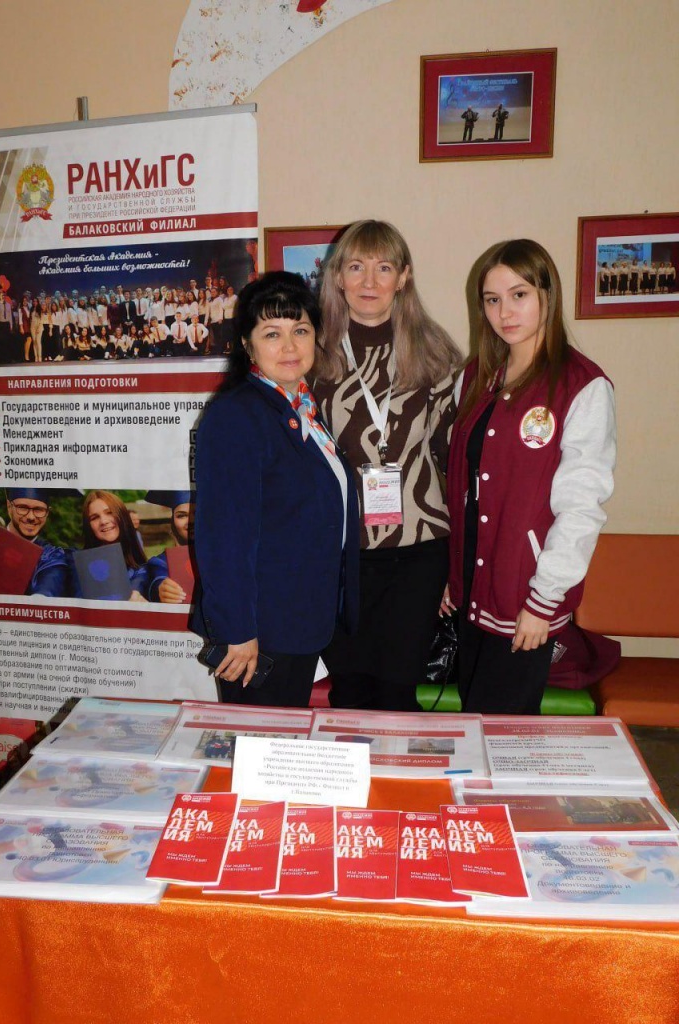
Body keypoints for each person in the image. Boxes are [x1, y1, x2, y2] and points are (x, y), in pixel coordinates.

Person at [442, 238, 616, 715]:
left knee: (505, 732)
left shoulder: (581, 386)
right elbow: (463, 488)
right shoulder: (475, 378)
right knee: (476, 719)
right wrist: (451, 575)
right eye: (492, 299)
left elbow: (581, 507)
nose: (504, 312)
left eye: (518, 295)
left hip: (525, 594)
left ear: (547, 294)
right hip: (472, 589)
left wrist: (544, 600)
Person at [192, 271, 359, 707]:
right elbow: (224, 535)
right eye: (272, 333)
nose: (289, 346)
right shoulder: (237, 416)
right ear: (247, 345)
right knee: (258, 743)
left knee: (283, 741)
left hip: (299, 620)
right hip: (259, 631)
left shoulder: (301, 406)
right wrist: (237, 630)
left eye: (300, 330)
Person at [313, 220, 460, 711]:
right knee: (350, 691)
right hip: (340, 554)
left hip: (418, 552)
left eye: (384, 267)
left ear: (404, 277)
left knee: (397, 691)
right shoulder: (312, 353)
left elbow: (452, 461)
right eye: (356, 267)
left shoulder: (435, 352)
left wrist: (456, 566)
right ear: (338, 277)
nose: (370, 282)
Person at [0, 488, 69, 597]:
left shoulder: (51, 556)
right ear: (9, 507)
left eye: (39, 510)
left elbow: (49, 585)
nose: (31, 517)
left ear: (47, 513)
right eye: (22, 508)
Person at [78, 490, 148, 601]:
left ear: (122, 515)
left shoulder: (144, 572)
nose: (103, 521)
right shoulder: (78, 567)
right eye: (94, 517)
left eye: (109, 512)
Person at [145, 490, 195, 603]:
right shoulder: (161, 562)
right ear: (172, 523)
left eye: (197, 513)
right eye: (181, 516)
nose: (191, 521)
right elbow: (158, 579)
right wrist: (161, 590)